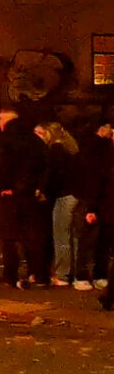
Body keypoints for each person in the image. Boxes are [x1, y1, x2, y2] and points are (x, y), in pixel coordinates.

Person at [0, 106, 48, 288]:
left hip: (10, 194)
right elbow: (45, 165)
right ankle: (37, 273)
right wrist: (38, 187)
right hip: (30, 194)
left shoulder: (4, 139)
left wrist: (4, 187)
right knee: (33, 235)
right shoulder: (35, 140)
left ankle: (11, 274)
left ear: (4, 119)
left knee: (9, 236)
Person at [35, 121, 79, 287]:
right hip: (74, 195)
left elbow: (53, 174)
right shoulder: (70, 149)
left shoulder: (55, 150)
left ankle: (62, 274)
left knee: (61, 236)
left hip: (63, 196)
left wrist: (43, 191)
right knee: (72, 237)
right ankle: (75, 272)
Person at [73, 122, 112, 293]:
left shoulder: (99, 150)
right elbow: (93, 179)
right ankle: (85, 275)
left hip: (102, 200)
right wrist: (91, 207)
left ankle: (95, 274)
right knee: (90, 239)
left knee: (101, 239)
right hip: (97, 200)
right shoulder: (97, 152)